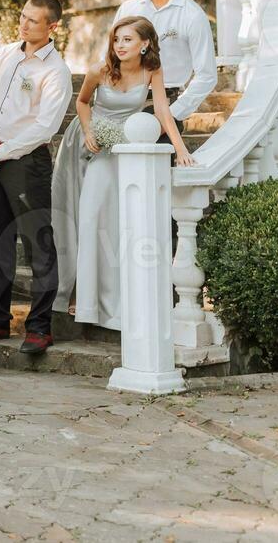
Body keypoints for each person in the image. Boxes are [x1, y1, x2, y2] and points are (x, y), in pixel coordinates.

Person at [64, 17, 196, 330]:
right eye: (117, 40)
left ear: (145, 44)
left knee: (123, 224)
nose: (120, 46)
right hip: (96, 146)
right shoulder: (99, 69)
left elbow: (162, 111)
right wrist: (88, 130)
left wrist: (180, 149)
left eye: (127, 40)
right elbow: (82, 103)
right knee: (92, 217)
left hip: (129, 149)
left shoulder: (153, 70)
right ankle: (86, 302)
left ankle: (122, 302)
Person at [0, 0, 74, 355]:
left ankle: (40, 327)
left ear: (52, 26)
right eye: (23, 16)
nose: (24, 24)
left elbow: (44, 128)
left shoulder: (55, 71)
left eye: (33, 20)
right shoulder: (6, 55)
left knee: (37, 242)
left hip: (26, 163)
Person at [111, 0, 217, 134]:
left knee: (158, 165)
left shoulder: (192, 15)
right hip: (124, 103)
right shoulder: (128, 9)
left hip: (167, 102)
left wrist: (173, 114)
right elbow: (110, 58)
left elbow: (207, 75)